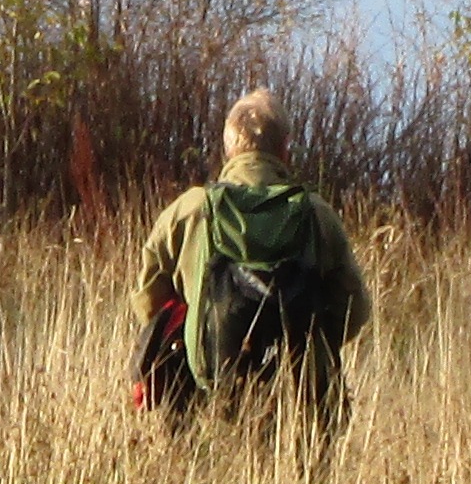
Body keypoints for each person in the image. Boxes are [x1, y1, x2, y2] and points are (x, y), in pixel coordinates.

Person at [128, 88, 372, 444]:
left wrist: (195, 332)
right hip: (297, 403)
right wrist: (315, 348)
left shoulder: (190, 209)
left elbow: (148, 298)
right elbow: (356, 308)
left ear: (229, 148)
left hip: (205, 389)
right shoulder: (316, 214)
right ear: (284, 148)